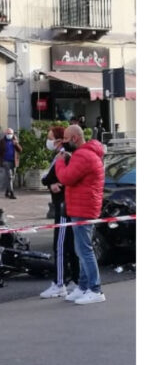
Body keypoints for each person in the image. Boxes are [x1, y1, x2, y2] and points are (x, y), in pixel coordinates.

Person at [54, 124, 106, 305]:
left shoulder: (83, 155)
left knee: (84, 250)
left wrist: (60, 161)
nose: (63, 143)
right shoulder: (87, 154)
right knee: (81, 249)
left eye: (66, 139)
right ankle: (83, 287)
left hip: (82, 208)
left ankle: (95, 289)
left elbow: (66, 177)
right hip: (84, 206)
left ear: (75, 138)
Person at [39, 125, 79, 298]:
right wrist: (50, 183)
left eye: (50, 138)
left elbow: (48, 177)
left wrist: (49, 182)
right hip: (66, 203)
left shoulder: (63, 155)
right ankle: (76, 281)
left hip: (64, 205)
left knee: (61, 245)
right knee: (70, 245)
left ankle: (59, 283)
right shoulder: (66, 154)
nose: (49, 141)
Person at [0, 127, 22, 199]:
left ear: (13, 134)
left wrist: (16, 144)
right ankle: (12, 193)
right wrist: (1, 160)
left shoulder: (15, 140)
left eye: (10, 133)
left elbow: (20, 150)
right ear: (5, 133)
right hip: (6, 161)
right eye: (8, 133)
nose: (9, 134)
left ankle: (7, 191)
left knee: (12, 177)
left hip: (14, 161)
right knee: (9, 176)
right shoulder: (2, 141)